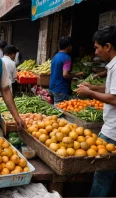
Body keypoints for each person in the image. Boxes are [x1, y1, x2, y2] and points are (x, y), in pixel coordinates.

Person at [75, 26, 116, 197]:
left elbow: (114, 98)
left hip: (112, 132)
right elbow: (110, 89)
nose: (96, 52)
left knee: (102, 174)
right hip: (111, 128)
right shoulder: (112, 66)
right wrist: (93, 87)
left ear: (108, 46)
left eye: (97, 47)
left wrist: (90, 93)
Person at [49, 37, 84, 104]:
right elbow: (65, 75)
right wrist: (75, 75)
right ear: (69, 46)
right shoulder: (67, 58)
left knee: (55, 108)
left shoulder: (55, 56)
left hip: (52, 87)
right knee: (60, 110)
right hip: (60, 88)